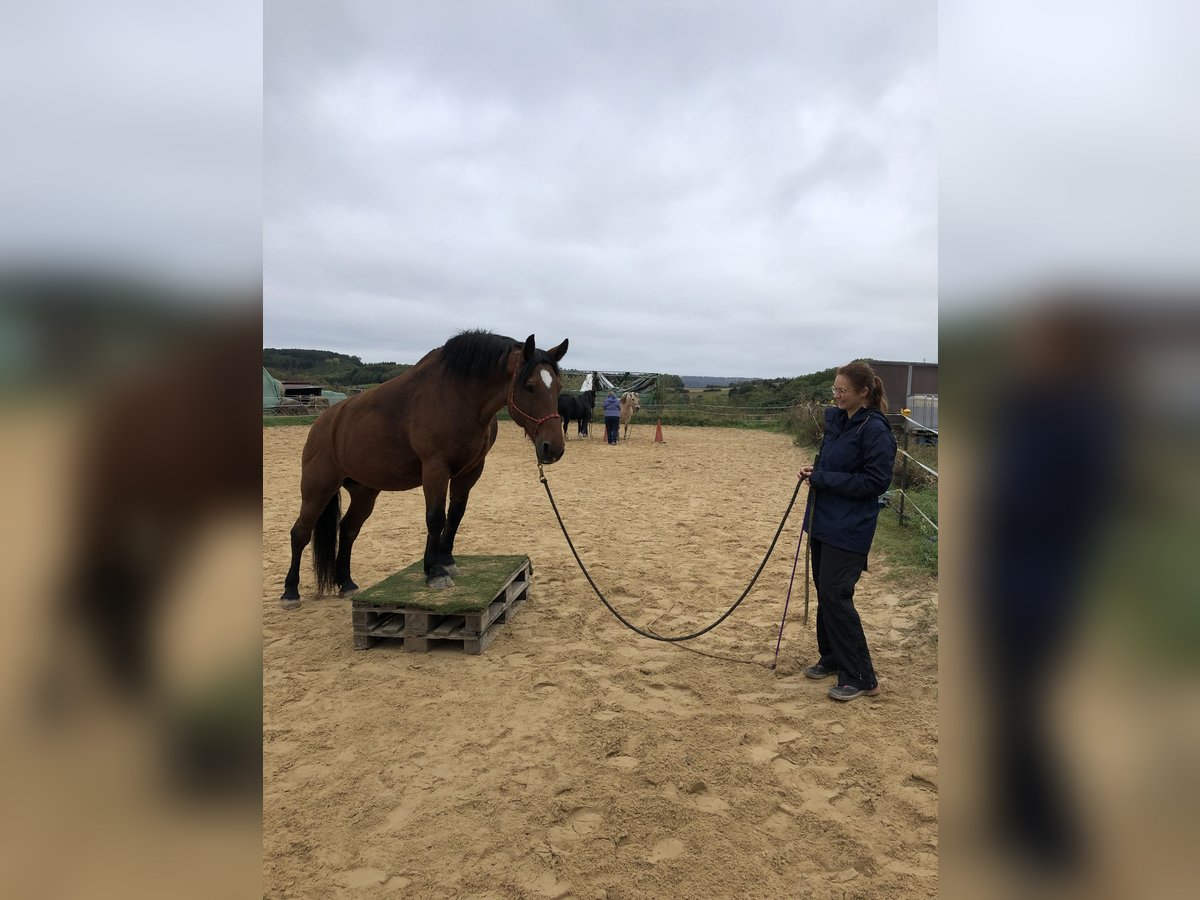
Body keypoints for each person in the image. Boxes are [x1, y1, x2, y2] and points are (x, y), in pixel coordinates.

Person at [798, 361, 897, 702]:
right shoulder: (840, 421)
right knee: (825, 591)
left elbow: (875, 481)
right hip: (825, 519)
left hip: (850, 526)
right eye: (834, 390)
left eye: (843, 390)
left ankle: (861, 677)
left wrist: (824, 478)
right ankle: (832, 656)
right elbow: (837, 466)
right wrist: (817, 470)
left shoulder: (875, 430)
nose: (837, 395)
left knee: (836, 595)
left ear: (863, 393)